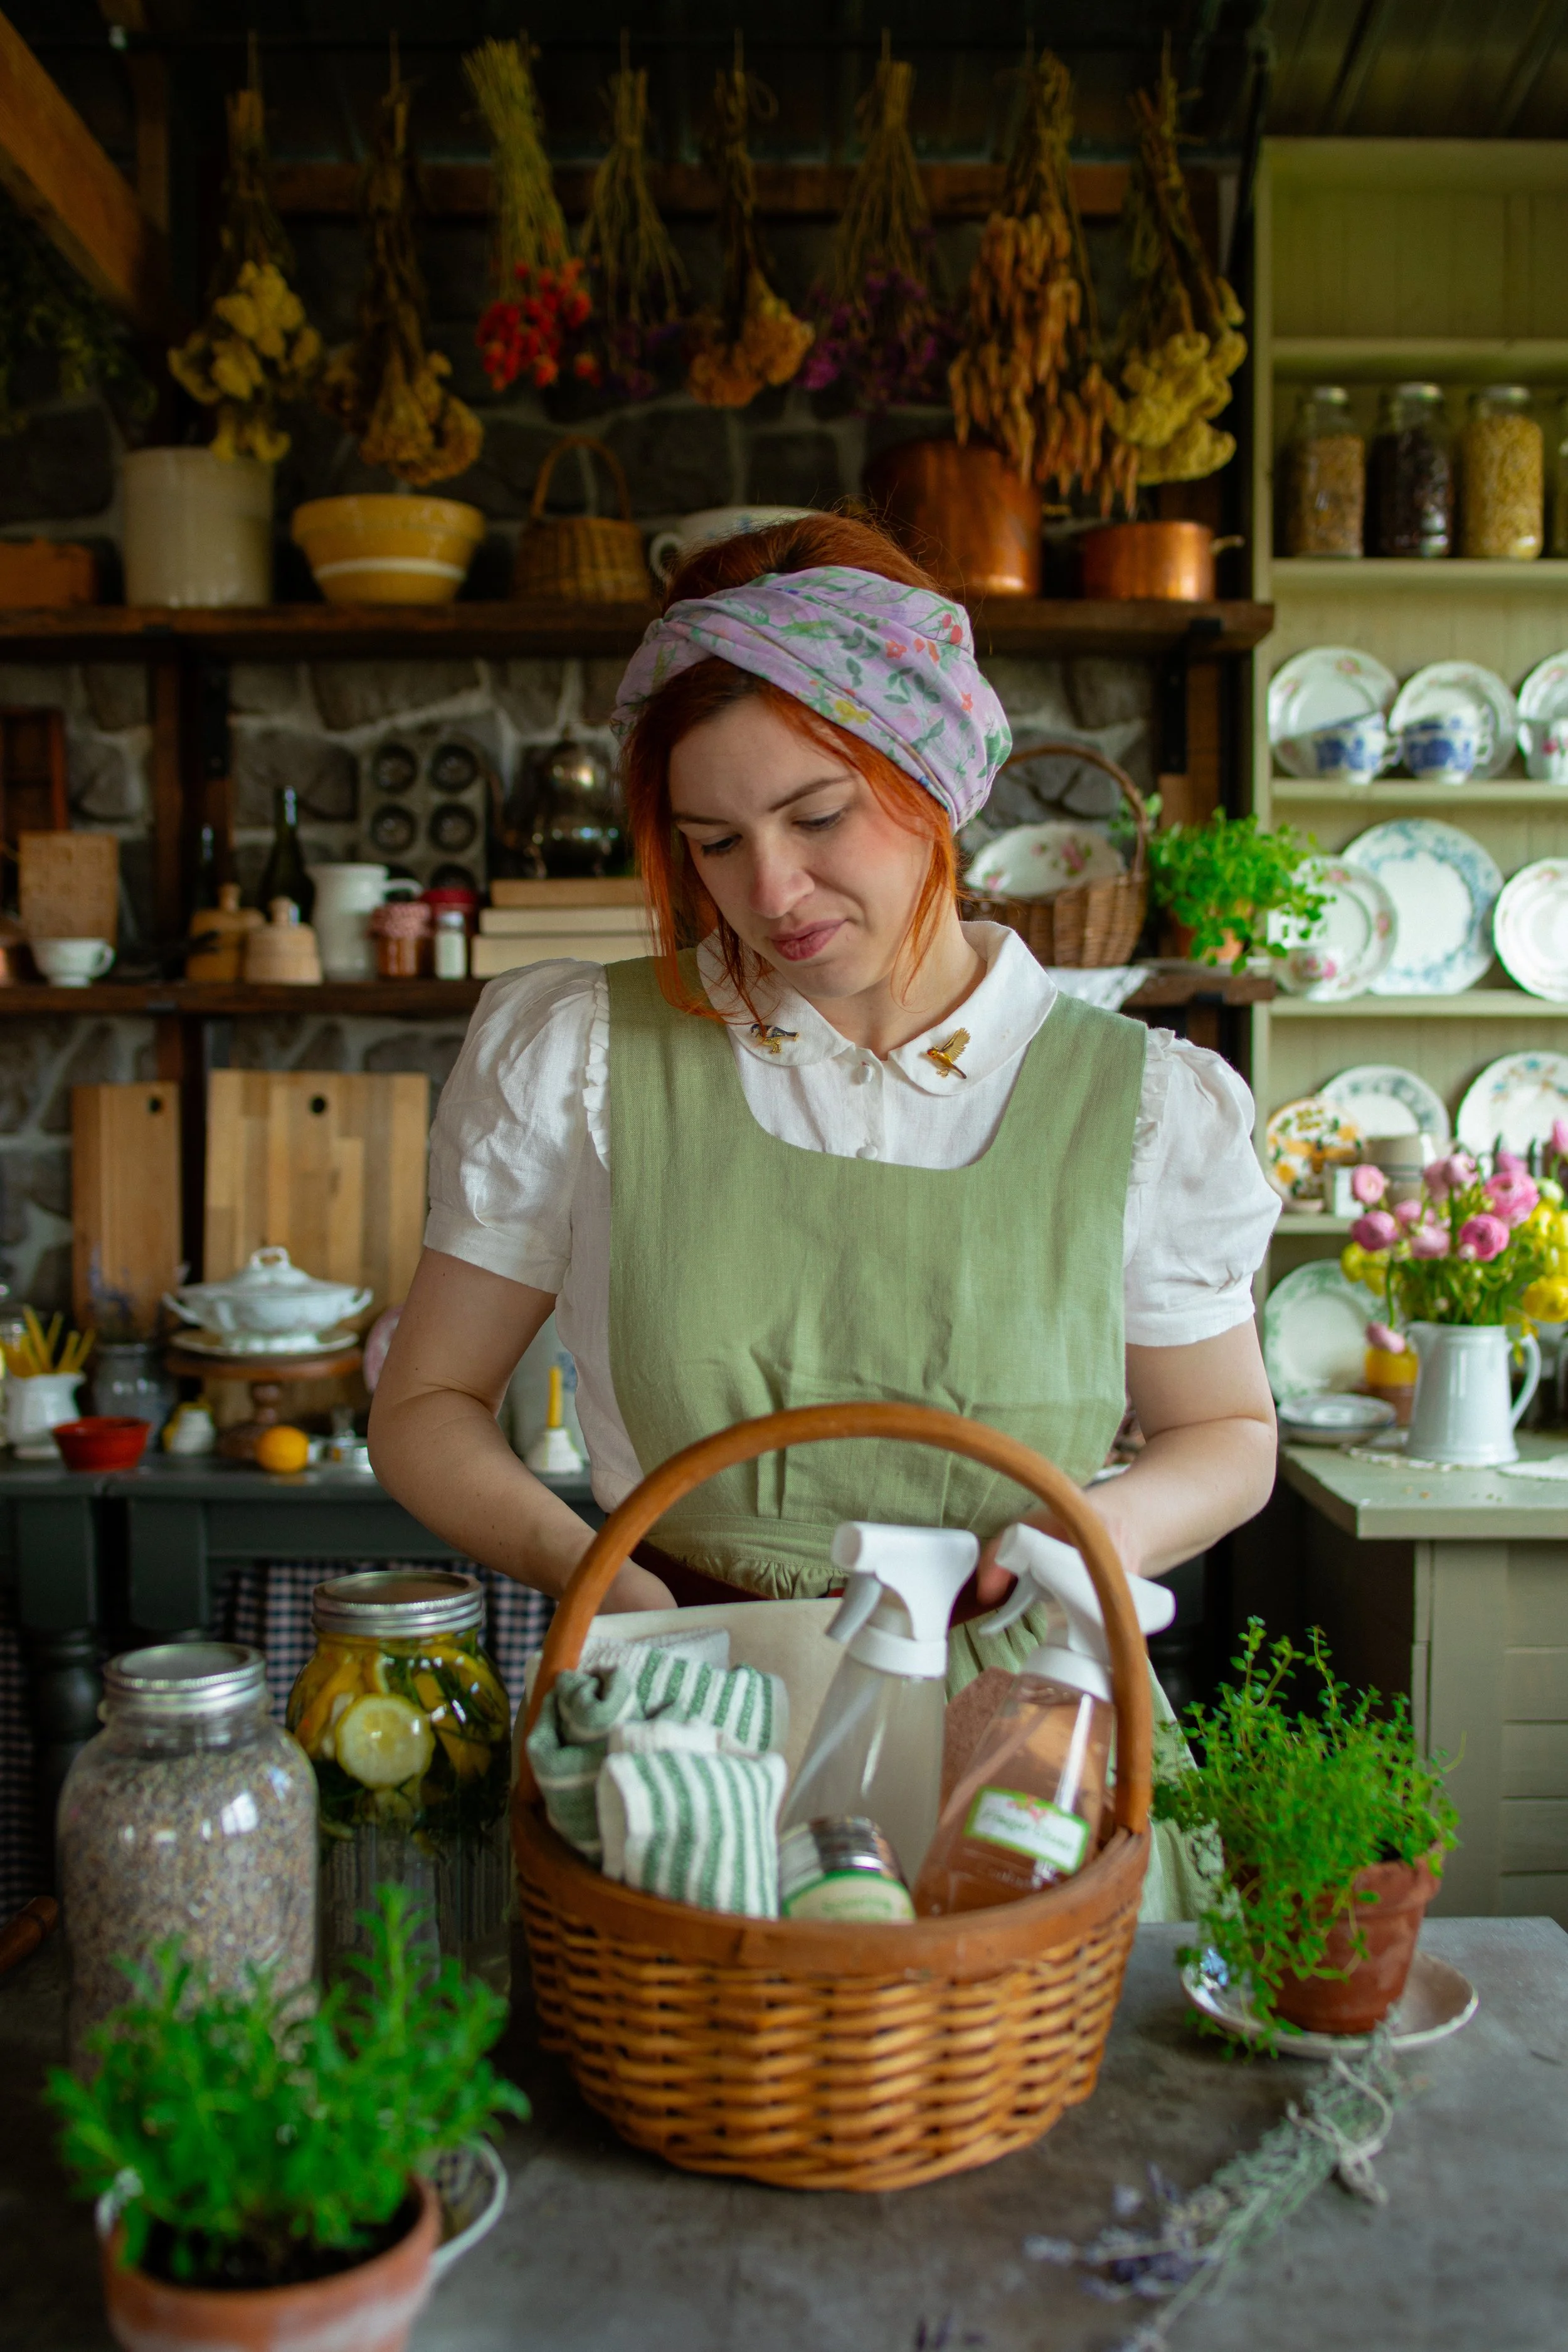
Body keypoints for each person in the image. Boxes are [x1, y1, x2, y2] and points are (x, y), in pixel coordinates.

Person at [369, 514, 1279, 1912]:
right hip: (681, 1733)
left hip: (1020, 1748)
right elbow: (425, 1403)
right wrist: (597, 1573)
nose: (770, 893)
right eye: (714, 842)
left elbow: (1225, 1433)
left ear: (932, 778)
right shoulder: (584, 1053)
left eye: (815, 817)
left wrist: (1093, 1538)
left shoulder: (1142, 1105)